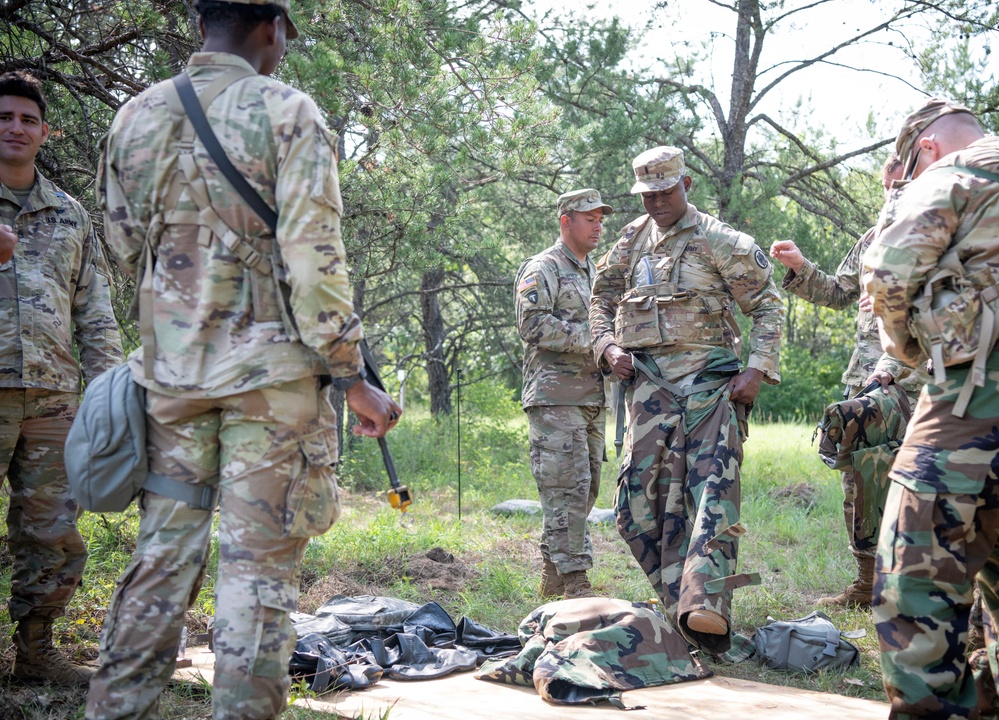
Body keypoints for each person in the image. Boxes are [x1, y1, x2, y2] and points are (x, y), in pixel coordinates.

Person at [86, 1, 401, 718]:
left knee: (161, 563)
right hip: (269, 384)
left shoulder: (134, 115)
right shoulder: (287, 112)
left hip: (171, 379)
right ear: (271, 27)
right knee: (256, 576)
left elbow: (124, 242)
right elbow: (314, 260)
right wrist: (351, 376)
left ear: (203, 24)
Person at [589, 146, 782, 657]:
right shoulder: (631, 240)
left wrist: (757, 370)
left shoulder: (721, 241)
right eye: (647, 195)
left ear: (686, 185)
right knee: (634, 505)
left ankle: (706, 608)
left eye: (665, 192)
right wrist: (607, 346)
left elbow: (767, 305)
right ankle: (677, 597)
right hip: (648, 387)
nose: (656, 202)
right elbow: (601, 299)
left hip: (709, 386)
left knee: (710, 495)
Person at [862, 97, 999, 718]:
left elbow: (888, 277)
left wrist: (910, 349)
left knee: (912, 578)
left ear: (926, 149)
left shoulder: (955, 176)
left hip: (971, 410)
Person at [0, 71, 123, 684]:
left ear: (45, 132)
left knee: (51, 528)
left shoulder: (70, 215)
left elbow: (94, 313)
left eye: (26, 119)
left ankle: (36, 651)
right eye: (4, 117)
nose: (14, 128)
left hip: (52, 399)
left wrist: (108, 394)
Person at [769, 154, 928, 608]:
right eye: (887, 186)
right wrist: (801, 267)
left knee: (918, 483)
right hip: (865, 380)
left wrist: (894, 369)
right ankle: (866, 582)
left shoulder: (939, 238)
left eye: (904, 184)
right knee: (860, 479)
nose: (893, 195)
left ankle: (916, 588)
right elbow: (840, 292)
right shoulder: (872, 239)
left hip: (918, 382)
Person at [515, 188, 612, 600]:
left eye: (600, 218)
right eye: (589, 218)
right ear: (565, 221)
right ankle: (576, 584)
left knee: (583, 489)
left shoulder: (596, 272)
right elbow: (533, 325)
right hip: (555, 397)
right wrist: (599, 338)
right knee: (567, 489)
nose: (598, 225)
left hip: (591, 397)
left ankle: (553, 576)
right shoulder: (544, 267)